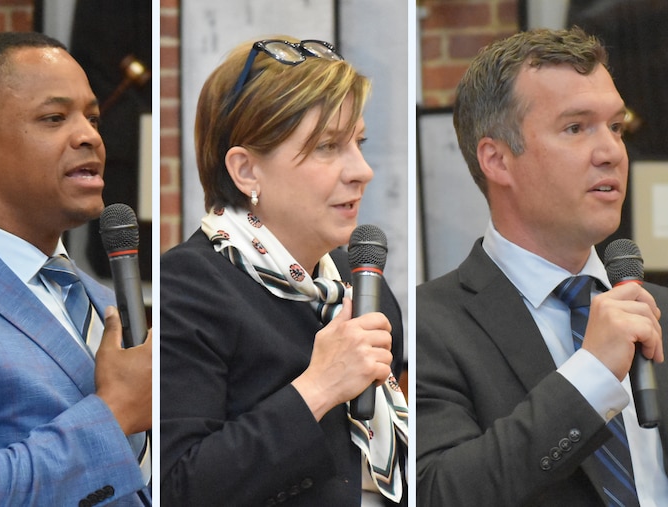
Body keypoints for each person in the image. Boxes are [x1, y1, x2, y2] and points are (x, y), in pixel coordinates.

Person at [416, 26, 668, 506]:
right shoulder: (428, 324)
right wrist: (591, 376)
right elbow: (438, 493)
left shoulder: (658, 311)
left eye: (616, 127)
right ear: (497, 160)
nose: (611, 152)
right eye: (576, 128)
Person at [0, 32, 151, 505]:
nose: (90, 136)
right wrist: (116, 412)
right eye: (54, 118)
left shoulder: (102, 300)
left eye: (93, 117)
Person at [160, 37, 408, 506]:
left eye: (358, 142)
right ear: (246, 171)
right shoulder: (187, 286)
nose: (362, 171)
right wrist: (319, 387)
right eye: (328, 146)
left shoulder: (360, 283)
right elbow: (177, 489)